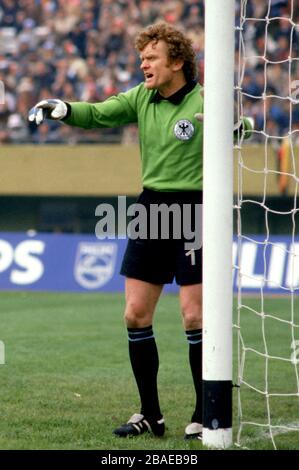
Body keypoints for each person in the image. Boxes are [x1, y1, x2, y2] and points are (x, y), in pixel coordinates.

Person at [29, 22, 253, 440]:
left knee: (195, 315)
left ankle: (204, 412)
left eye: (151, 58)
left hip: (196, 210)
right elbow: (98, 113)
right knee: (134, 314)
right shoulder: (141, 98)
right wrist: (64, 108)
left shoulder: (208, 101)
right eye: (142, 57)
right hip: (151, 209)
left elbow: (246, 127)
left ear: (178, 62)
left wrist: (235, 128)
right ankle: (150, 414)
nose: (143, 64)